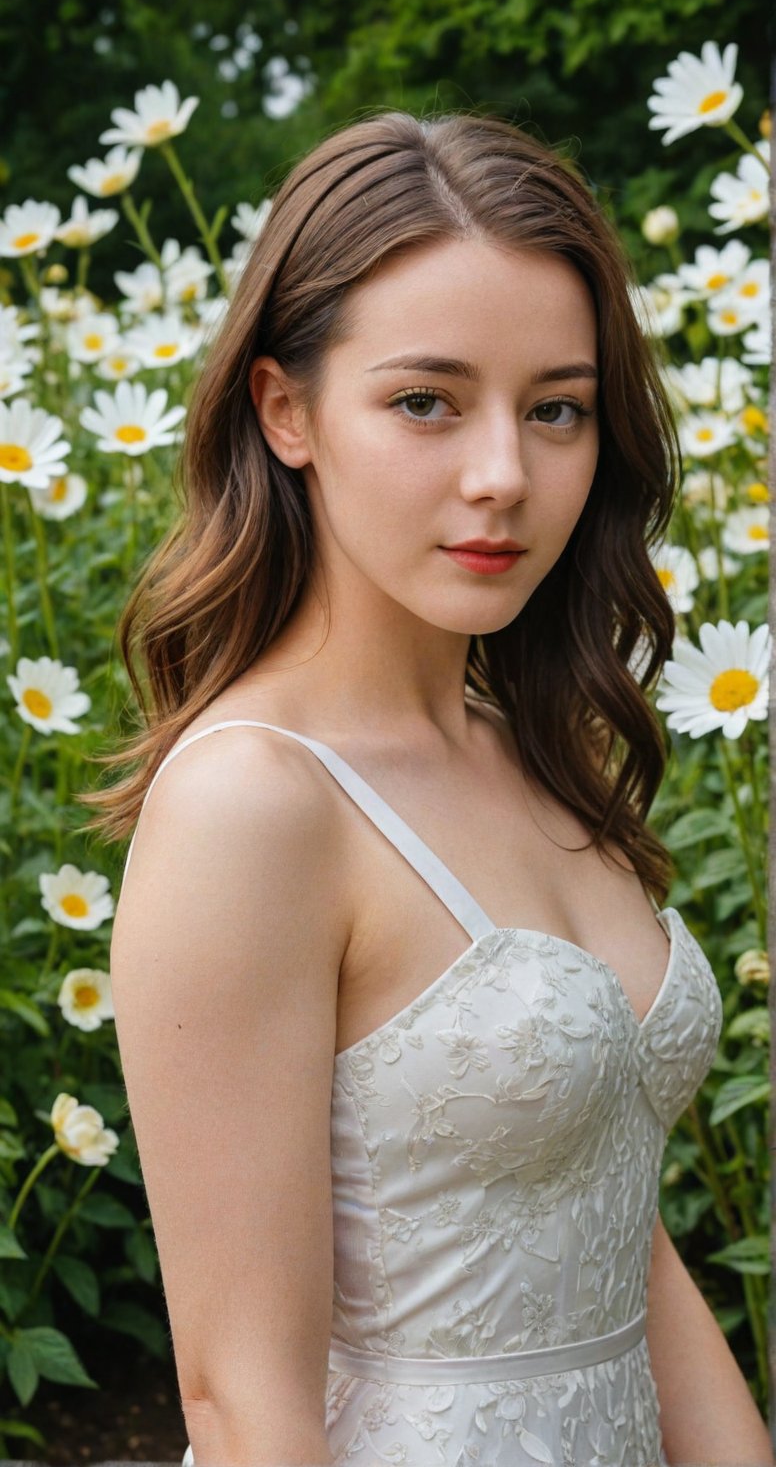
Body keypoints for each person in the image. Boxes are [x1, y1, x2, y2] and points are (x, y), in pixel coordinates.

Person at [99, 110, 773, 1466]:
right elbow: (241, 1403)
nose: (502, 478)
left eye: (557, 409)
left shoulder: (536, 748)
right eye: (426, 400)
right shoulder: (254, 802)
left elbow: (618, 1233)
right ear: (285, 410)